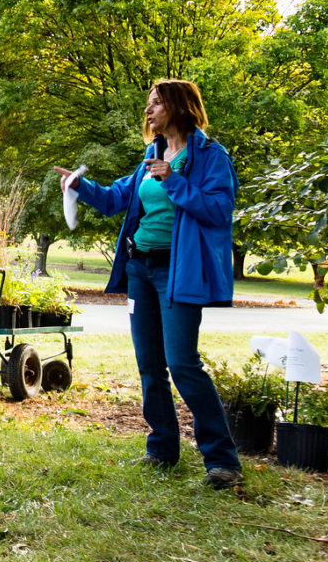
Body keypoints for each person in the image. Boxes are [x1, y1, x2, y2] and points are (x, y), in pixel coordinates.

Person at [56, 79, 243, 489]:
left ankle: (222, 461)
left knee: (182, 364)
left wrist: (174, 180)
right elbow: (114, 199)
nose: (149, 110)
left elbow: (218, 211)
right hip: (141, 270)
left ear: (179, 106)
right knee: (149, 366)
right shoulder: (152, 154)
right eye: (148, 103)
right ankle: (161, 450)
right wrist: (79, 186)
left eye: (156, 103)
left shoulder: (211, 156)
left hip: (178, 273)